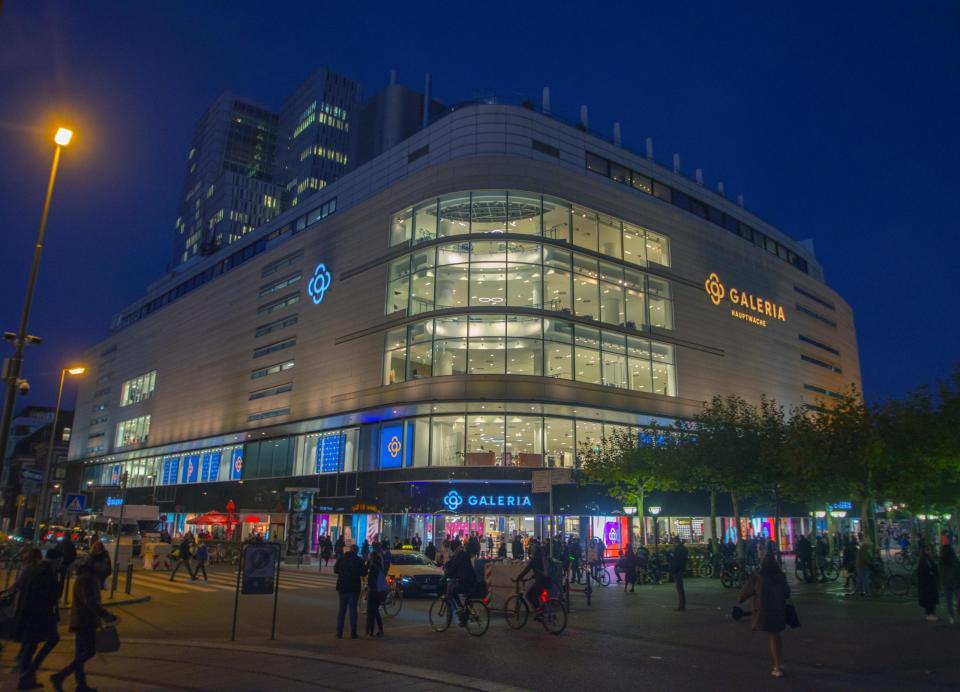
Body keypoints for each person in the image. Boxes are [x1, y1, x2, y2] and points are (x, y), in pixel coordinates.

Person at [50, 558, 117, 691]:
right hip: (85, 621)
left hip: (81, 619)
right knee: (89, 651)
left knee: (80, 654)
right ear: (96, 564)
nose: (105, 566)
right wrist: (105, 614)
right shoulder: (88, 579)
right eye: (103, 563)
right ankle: (60, 676)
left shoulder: (87, 577)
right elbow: (90, 601)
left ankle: (80, 684)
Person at [14, 548, 62, 690]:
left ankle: (26, 676)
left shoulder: (33, 569)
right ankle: (29, 673)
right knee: (49, 640)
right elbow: (53, 595)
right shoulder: (47, 572)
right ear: (57, 560)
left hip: (29, 613)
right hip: (39, 614)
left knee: (30, 646)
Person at [738, 552, 791, 678]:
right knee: (776, 635)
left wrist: (740, 598)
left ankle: (777, 667)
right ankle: (779, 662)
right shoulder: (780, 576)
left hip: (765, 609)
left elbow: (746, 591)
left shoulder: (758, 575)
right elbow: (787, 593)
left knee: (773, 636)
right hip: (779, 608)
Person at [333, 544, 367, 639]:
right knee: (353, 611)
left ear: (350, 550)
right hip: (354, 588)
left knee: (342, 610)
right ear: (356, 551)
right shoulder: (359, 560)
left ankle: (339, 632)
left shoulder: (342, 558)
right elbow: (364, 572)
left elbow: (335, 570)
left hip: (343, 587)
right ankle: (353, 632)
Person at [443, 545, 477, 626]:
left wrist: (444, 577)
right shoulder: (464, 556)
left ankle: (462, 612)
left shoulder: (458, 558)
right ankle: (465, 615)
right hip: (471, 580)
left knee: (454, 591)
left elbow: (453, 568)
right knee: (467, 600)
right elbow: (452, 565)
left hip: (466, 581)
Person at [515, 541, 550, 618]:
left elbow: (525, 571)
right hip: (548, 581)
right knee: (538, 595)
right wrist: (533, 577)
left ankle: (538, 610)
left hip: (540, 583)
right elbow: (540, 571)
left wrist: (518, 578)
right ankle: (542, 610)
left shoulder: (533, 561)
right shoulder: (542, 559)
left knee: (529, 595)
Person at [364, 549, 386, 638]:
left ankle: (369, 632)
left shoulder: (373, 567)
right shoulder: (380, 566)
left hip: (373, 591)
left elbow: (371, 581)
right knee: (375, 612)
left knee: (370, 612)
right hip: (379, 592)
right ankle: (380, 630)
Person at [917, 542, 940, 621]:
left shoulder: (929, 558)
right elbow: (922, 571)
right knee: (929, 600)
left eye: (929, 549)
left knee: (931, 599)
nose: (929, 551)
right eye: (927, 550)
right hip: (927, 584)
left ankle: (932, 613)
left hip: (930, 583)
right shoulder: (923, 560)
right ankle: (929, 614)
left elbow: (934, 567)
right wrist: (930, 573)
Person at [940, 544, 960, 625]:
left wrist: (942, 583)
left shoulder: (942, 561)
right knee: (958, 599)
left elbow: (941, 573)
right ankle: (957, 612)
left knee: (949, 602)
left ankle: (951, 617)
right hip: (956, 583)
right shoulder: (955, 559)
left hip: (947, 584)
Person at [671, 538, 688, 610]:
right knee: (680, 588)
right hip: (681, 569)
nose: (673, 544)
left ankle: (681, 606)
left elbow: (676, 561)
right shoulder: (684, 548)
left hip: (678, 570)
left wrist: (674, 570)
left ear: (675, 542)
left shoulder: (678, 549)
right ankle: (682, 605)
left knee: (679, 588)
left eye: (673, 542)